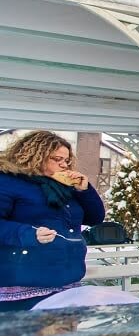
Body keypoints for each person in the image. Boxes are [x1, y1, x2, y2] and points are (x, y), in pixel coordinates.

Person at [0, 130, 105, 310]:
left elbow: (95, 218)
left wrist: (85, 190)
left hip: (66, 279)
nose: (64, 165)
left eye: (66, 160)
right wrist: (28, 234)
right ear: (35, 156)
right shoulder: (8, 182)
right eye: (57, 159)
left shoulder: (64, 186)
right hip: (23, 283)